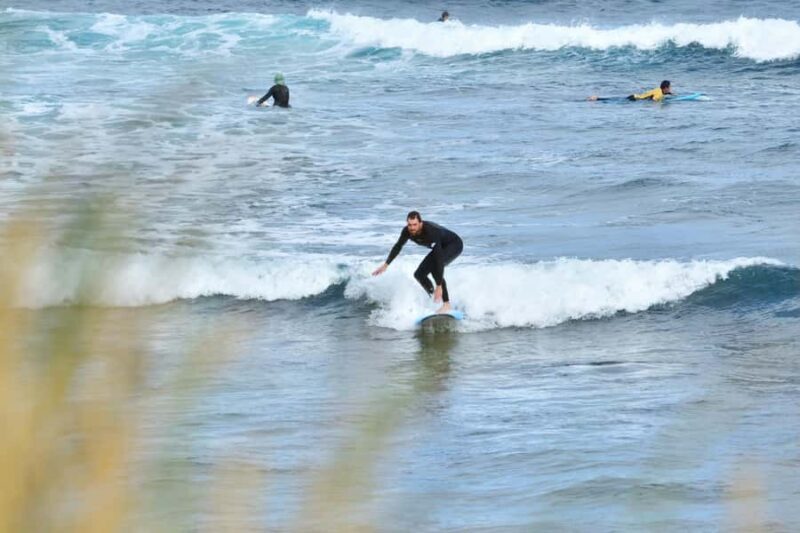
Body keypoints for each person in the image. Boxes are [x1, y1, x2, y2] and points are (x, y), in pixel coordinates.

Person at [372, 211, 463, 313]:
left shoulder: (431, 231)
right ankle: (435, 301)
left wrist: (439, 285)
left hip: (454, 244)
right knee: (419, 274)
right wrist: (386, 265)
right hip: (440, 247)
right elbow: (398, 246)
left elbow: (438, 259)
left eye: (415, 224)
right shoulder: (407, 231)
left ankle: (446, 304)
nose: (412, 228)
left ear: (420, 223)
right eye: (409, 225)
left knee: (435, 268)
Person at [588, 80, 673, 102]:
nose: (670, 89)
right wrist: (659, 102)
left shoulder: (659, 89)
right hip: (634, 99)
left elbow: (657, 94)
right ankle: (596, 98)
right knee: (614, 100)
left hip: (634, 96)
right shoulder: (659, 94)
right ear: (665, 88)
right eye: (669, 88)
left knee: (616, 99)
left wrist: (669, 93)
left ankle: (596, 98)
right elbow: (654, 100)